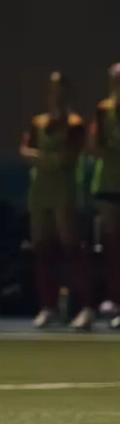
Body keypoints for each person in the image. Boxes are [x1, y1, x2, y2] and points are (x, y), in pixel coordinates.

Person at [20, 71, 92, 330]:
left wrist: (43, 158)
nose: (56, 95)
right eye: (52, 89)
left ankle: (84, 306)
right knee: (42, 248)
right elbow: (25, 150)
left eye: (61, 89)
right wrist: (48, 158)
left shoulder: (74, 124)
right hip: (40, 190)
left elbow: (68, 157)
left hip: (64, 190)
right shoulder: (38, 122)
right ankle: (47, 306)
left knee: (71, 248)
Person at [90, 63, 120, 329]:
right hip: (108, 183)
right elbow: (95, 146)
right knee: (111, 244)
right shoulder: (104, 110)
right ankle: (113, 297)